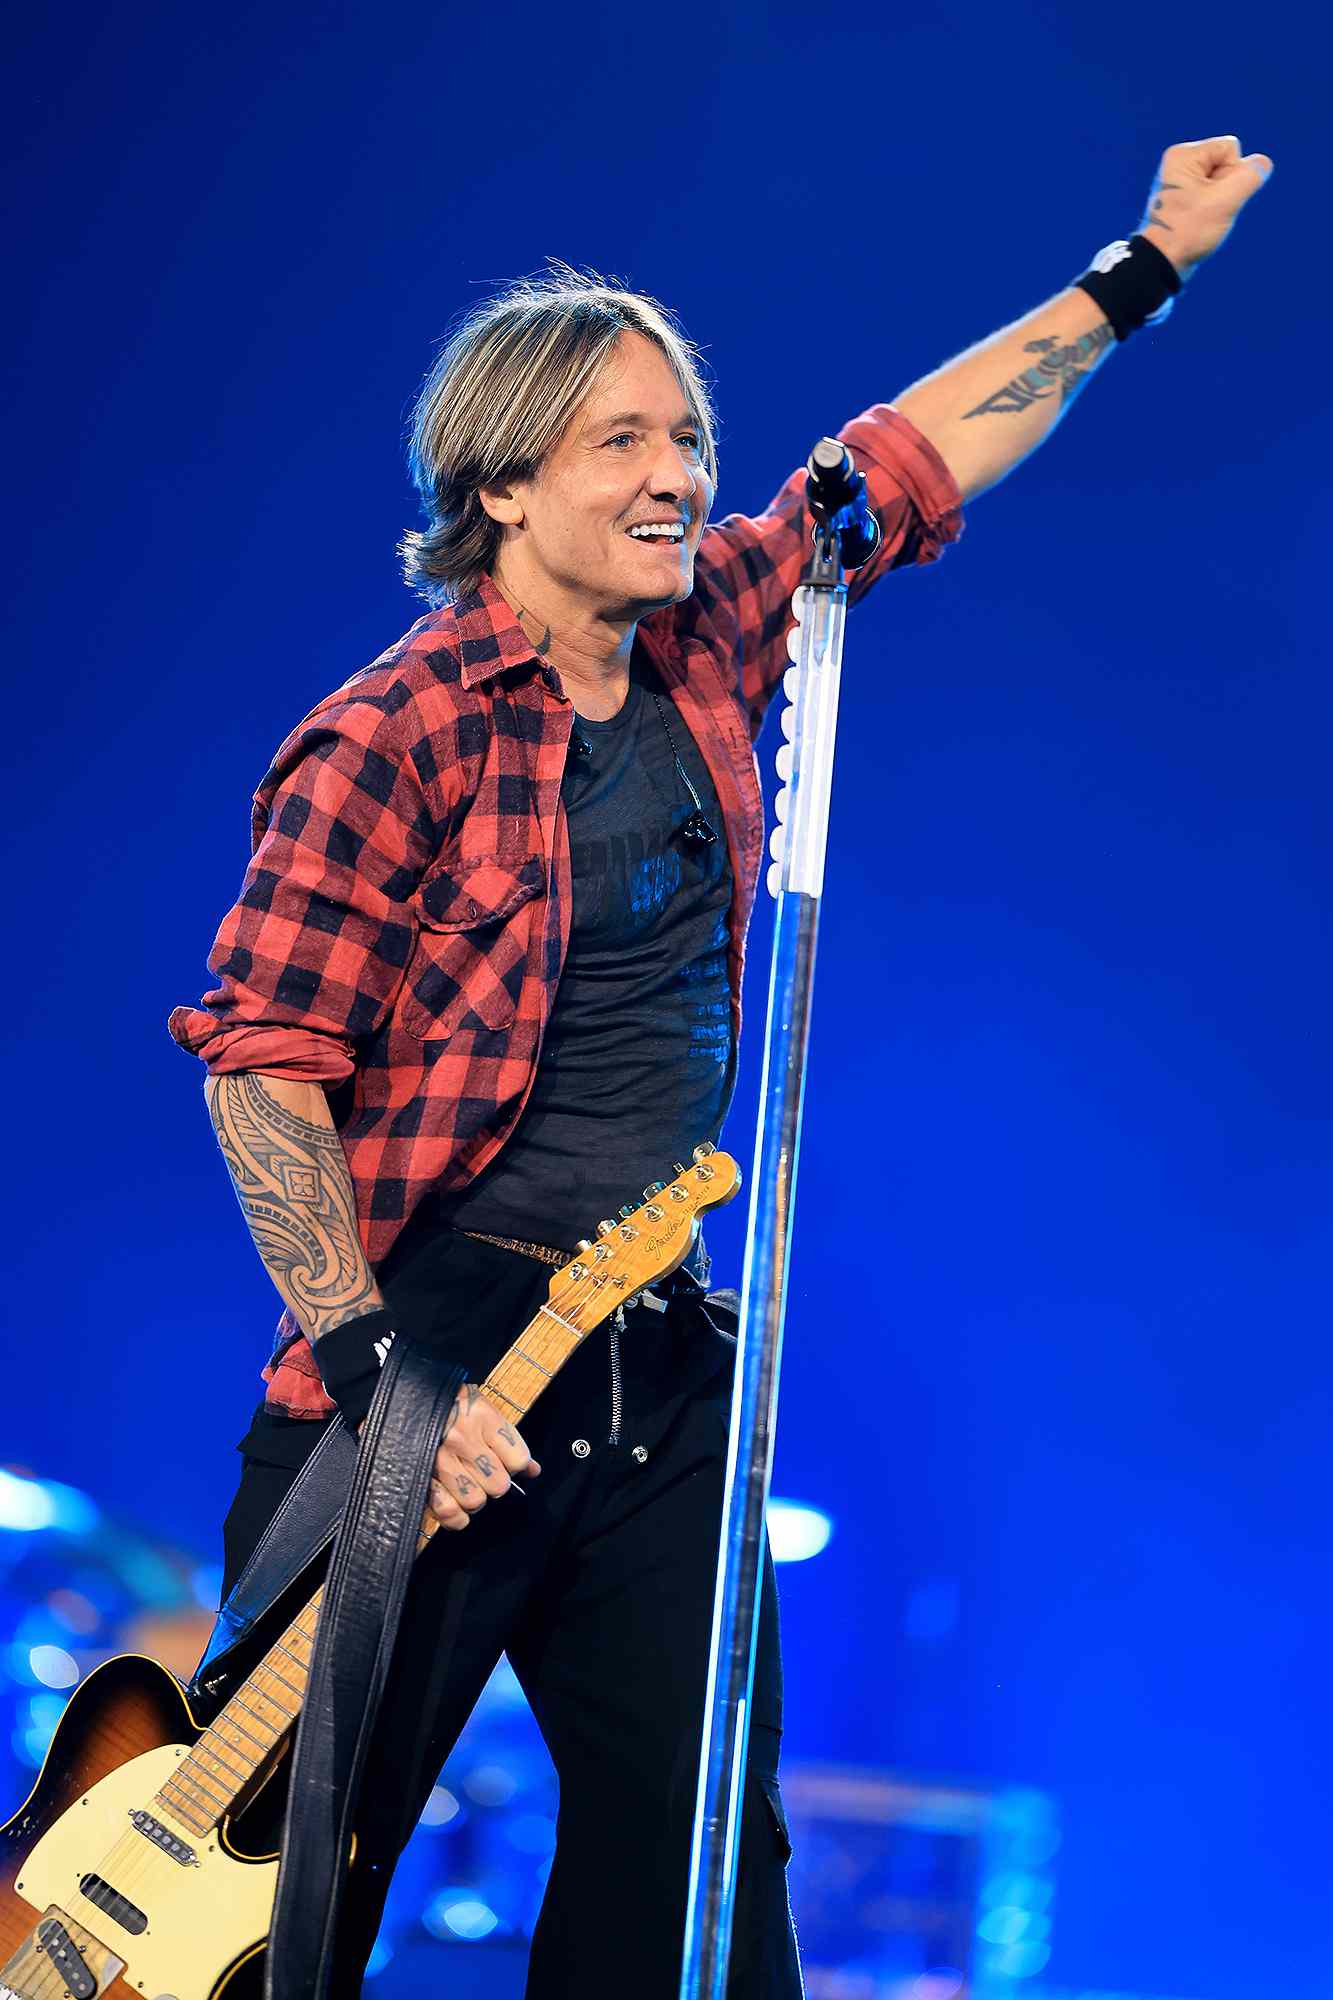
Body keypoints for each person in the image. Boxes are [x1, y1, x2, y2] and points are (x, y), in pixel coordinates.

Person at [171, 136, 1271, 1996]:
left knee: (693, 1886)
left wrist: (1142, 266)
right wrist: (377, 1376)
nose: (680, 473)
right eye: (624, 441)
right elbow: (262, 1061)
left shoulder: (710, 642)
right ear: (503, 483)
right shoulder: (392, 734)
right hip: (425, 1346)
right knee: (276, 1887)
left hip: (654, 1352)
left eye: (685, 435)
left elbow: (907, 458)